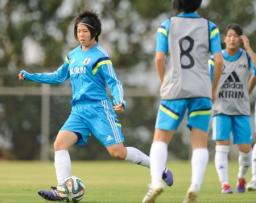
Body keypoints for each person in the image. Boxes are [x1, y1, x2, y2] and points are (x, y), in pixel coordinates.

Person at [18, 11, 173, 201]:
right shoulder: (73, 55)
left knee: (118, 152)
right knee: (59, 144)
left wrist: (120, 100)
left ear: (94, 33)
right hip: (78, 111)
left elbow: (115, 82)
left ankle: (160, 169)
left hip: (99, 110)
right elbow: (57, 76)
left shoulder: (101, 57)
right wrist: (31, 76)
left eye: (84, 31)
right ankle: (62, 190)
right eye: (78, 31)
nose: (80, 34)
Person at [142, 0, 223, 203]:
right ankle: (194, 186)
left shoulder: (167, 25)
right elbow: (219, 61)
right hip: (201, 91)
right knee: (199, 144)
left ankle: (155, 183)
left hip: (174, 90)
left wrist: (164, 82)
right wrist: (212, 89)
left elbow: (159, 58)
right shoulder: (210, 27)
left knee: (160, 140)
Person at [211, 23, 256, 194]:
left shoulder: (246, 56)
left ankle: (241, 177)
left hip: (241, 111)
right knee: (222, 146)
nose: (232, 39)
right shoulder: (217, 59)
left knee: (245, 149)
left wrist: (249, 48)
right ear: (224, 39)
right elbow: (206, 78)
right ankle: (225, 184)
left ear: (241, 39)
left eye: (236, 36)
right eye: (229, 35)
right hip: (221, 110)